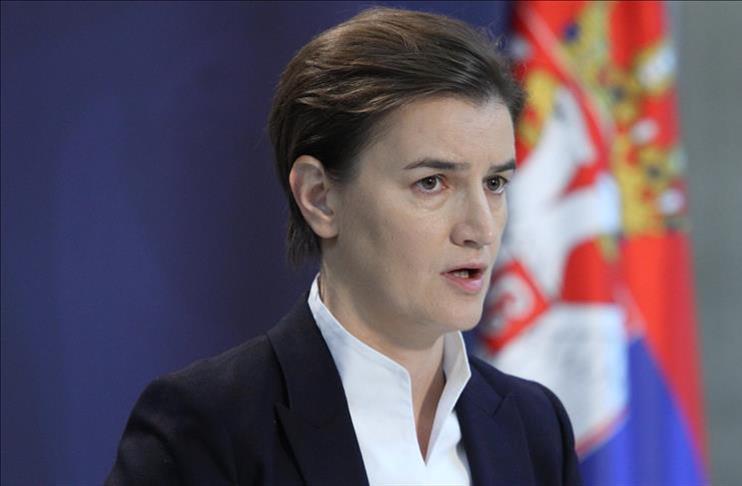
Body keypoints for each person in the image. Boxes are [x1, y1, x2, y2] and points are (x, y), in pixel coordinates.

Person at [107, 7, 582, 486]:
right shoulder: (207, 428)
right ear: (320, 197)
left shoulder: (534, 427)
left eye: (495, 183)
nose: (480, 228)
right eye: (432, 182)